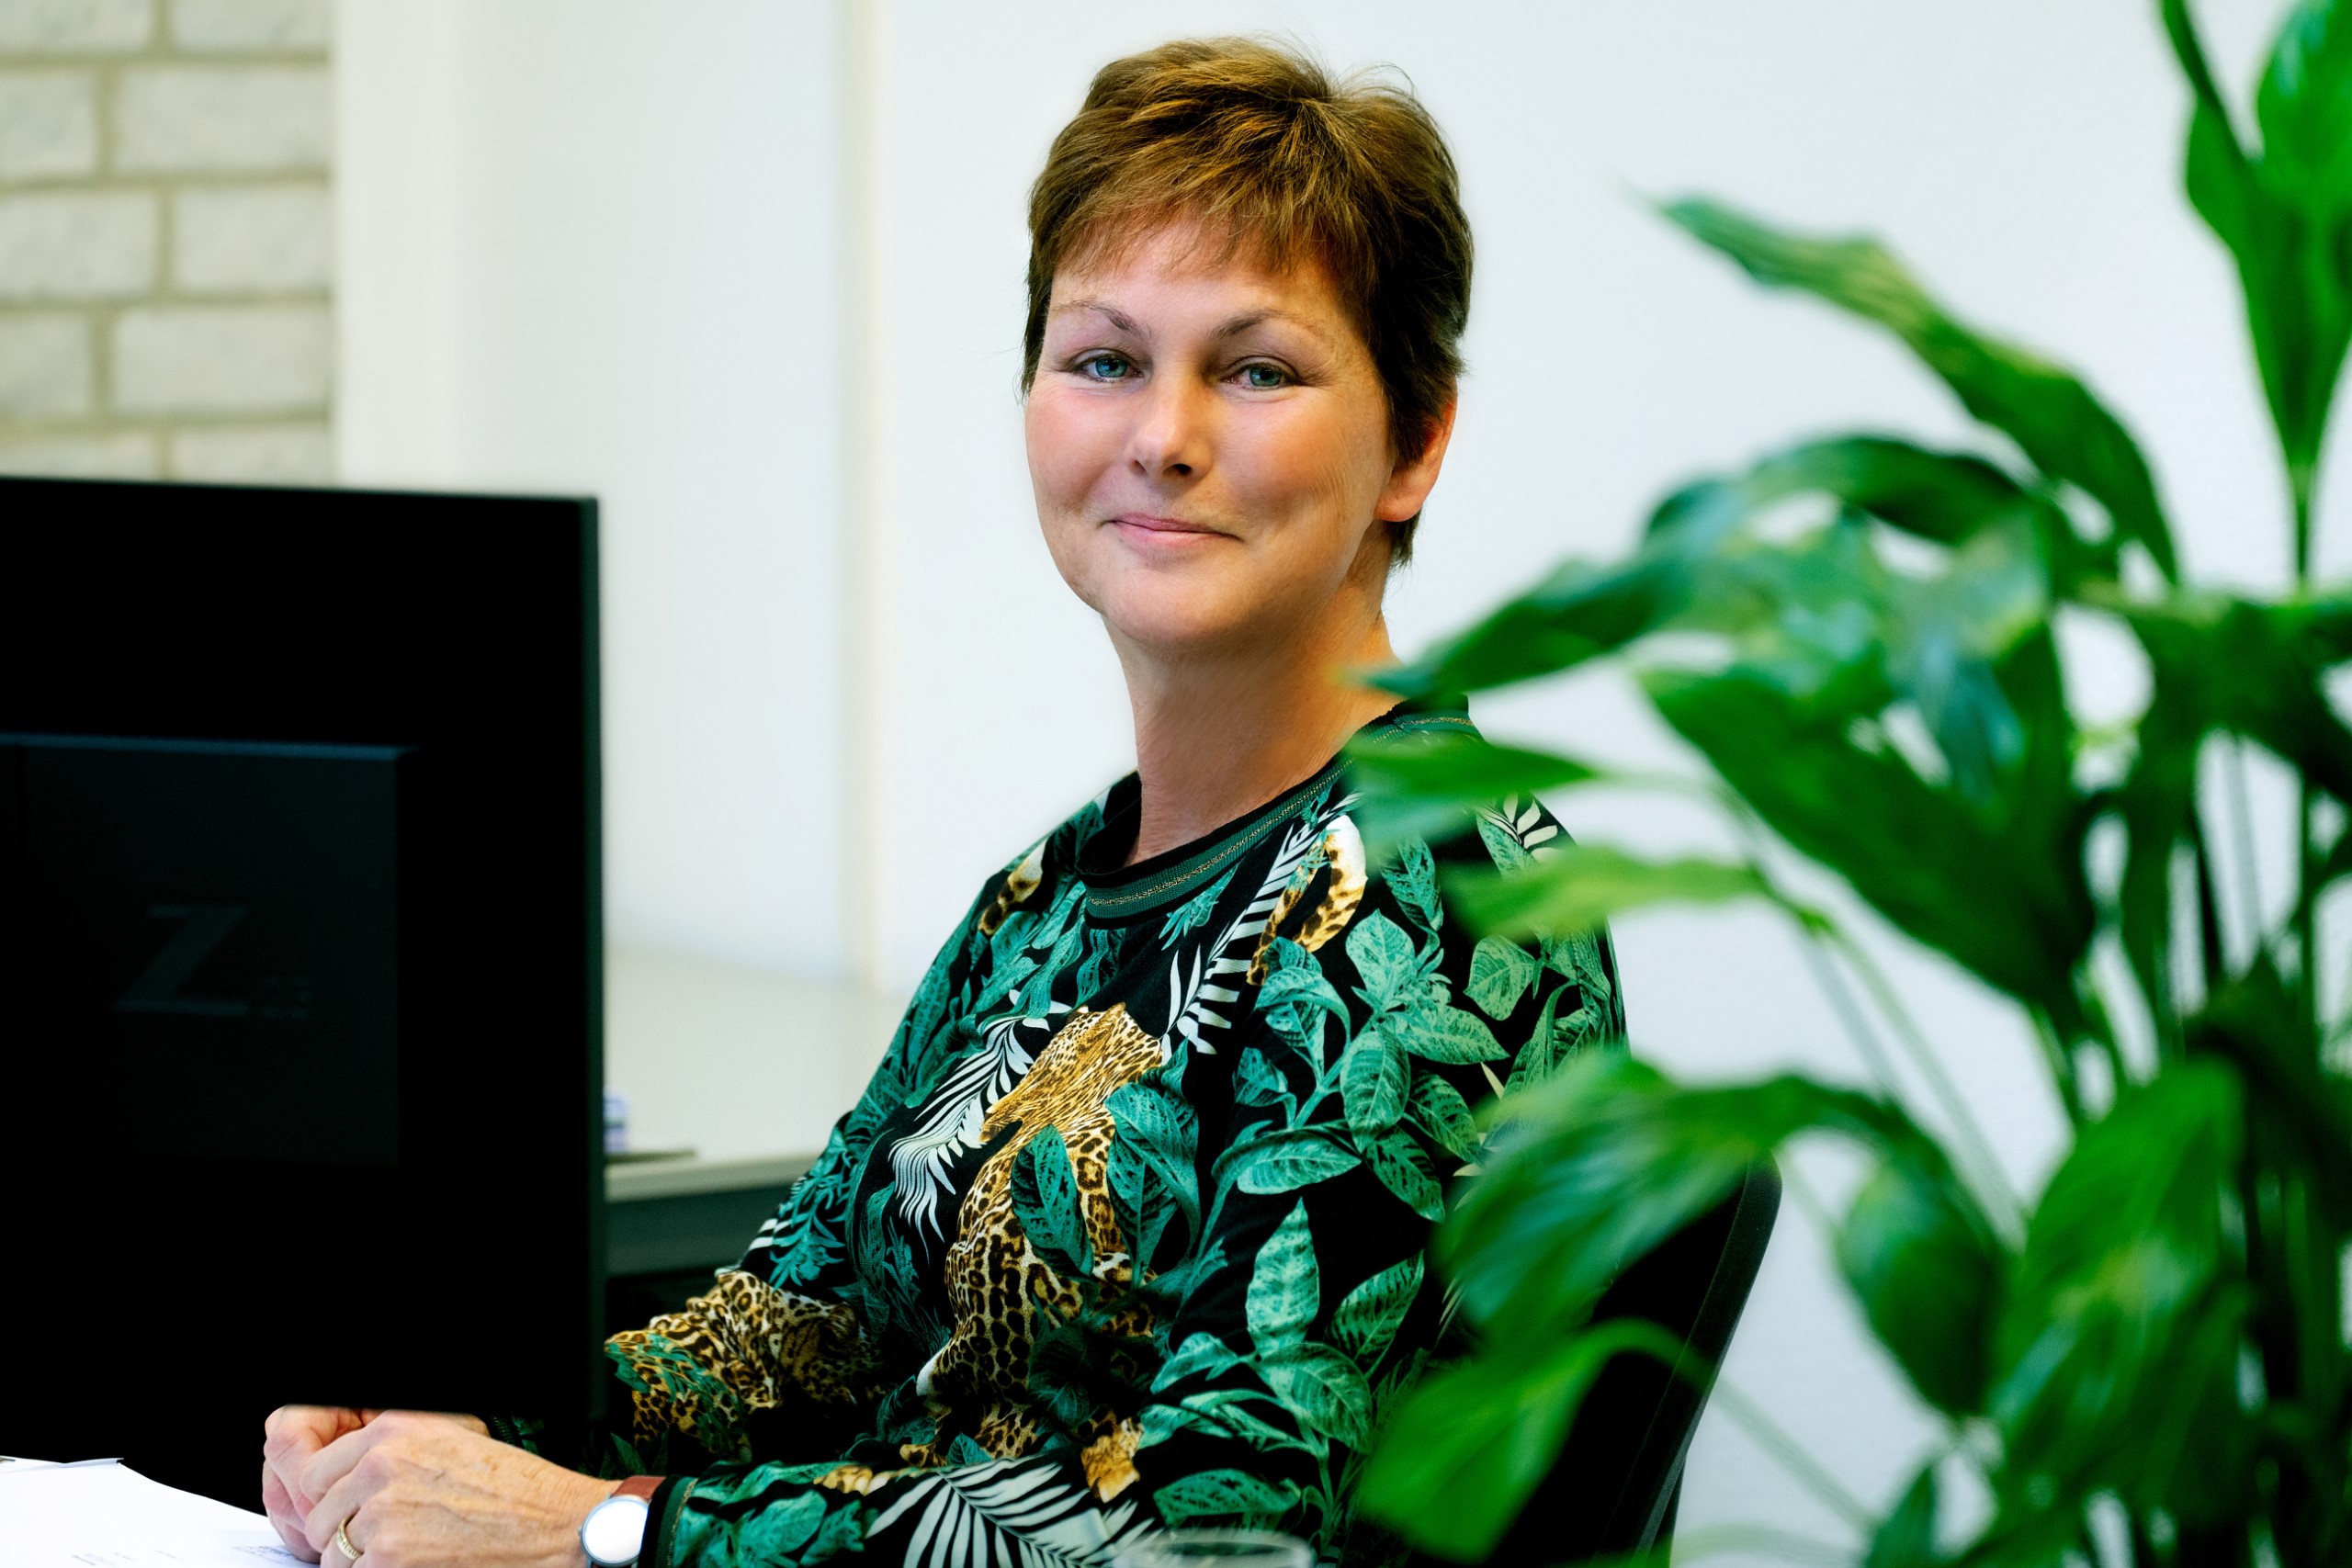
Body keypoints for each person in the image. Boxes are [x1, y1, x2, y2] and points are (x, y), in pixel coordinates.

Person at [261, 37, 1622, 1568]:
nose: (1162, 438)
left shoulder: (1443, 900)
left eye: (1255, 370)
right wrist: (447, 1423)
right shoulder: (1053, 896)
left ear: (1416, 441)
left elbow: (1214, 1528)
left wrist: (612, 1534)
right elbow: (792, 1331)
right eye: (1104, 360)